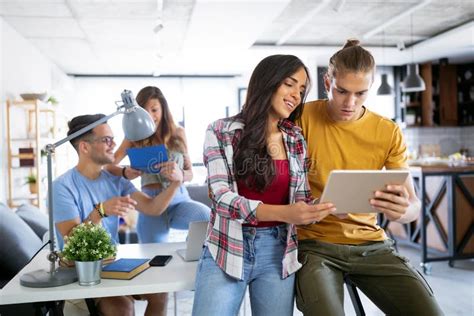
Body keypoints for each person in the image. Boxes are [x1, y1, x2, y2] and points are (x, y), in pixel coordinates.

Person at [295, 39, 443, 315]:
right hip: (314, 247)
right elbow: (276, 183)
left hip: (373, 246)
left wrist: (404, 211)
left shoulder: (387, 131)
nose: (350, 103)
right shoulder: (301, 118)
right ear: (328, 83)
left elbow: (413, 208)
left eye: (361, 93)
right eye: (341, 91)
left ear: (371, 88)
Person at [192, 54, 336, 316]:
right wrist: (286, 213)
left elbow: (301, 198)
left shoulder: (294, 138)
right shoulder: (221, 131)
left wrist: (326, 207)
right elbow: (221, 198)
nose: (296, 94)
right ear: (267, 82)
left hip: (279, 252)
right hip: (227, 244)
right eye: (289, 84)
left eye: (302, 90)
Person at [53, 114, 182, 316]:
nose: (114, 144)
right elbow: (71, 240)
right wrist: (100, 211)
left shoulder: (115, 180)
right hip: (81, 269)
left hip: (113, 264)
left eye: (113, 138)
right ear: (84, 147)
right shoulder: (62, 187)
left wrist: (176, 183)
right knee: (123, 307)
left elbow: (152, 208)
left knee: (160, 293)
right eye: (106, 140)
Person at [107, 86, 210, 243]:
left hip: (179, 199)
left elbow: (190, 173)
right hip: (150, 203)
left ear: (163, 109)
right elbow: (108, 165)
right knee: (152, 257)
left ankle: (192, 251)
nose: (150, 115)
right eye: (144, 110)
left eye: (154, 110)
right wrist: (124, 172)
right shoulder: (133, 137)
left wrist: (180, 175)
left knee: (207, 217)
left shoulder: (178, 133)